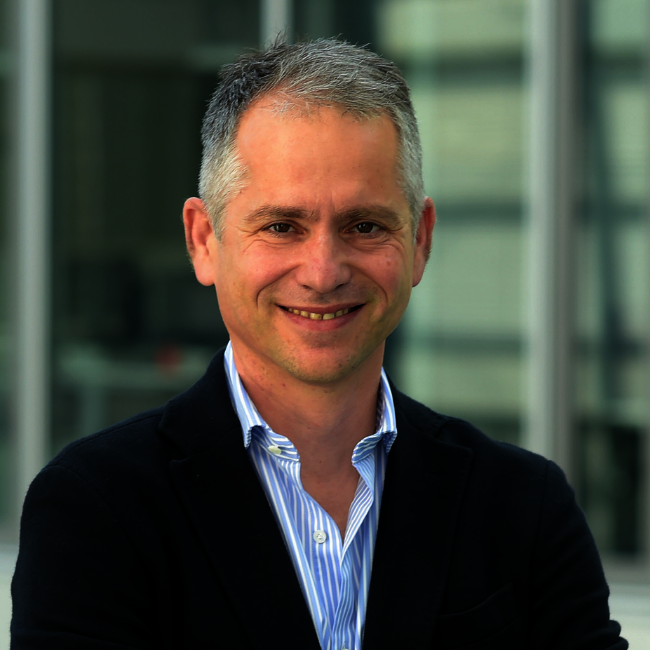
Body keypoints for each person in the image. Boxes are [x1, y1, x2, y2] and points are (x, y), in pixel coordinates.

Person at [11, 39, 627, 650]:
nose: (324, 271)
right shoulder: (96, 507)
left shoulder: (524, 507)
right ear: (204, 240)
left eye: (365, 225)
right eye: (282, 226)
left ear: (420, 241)